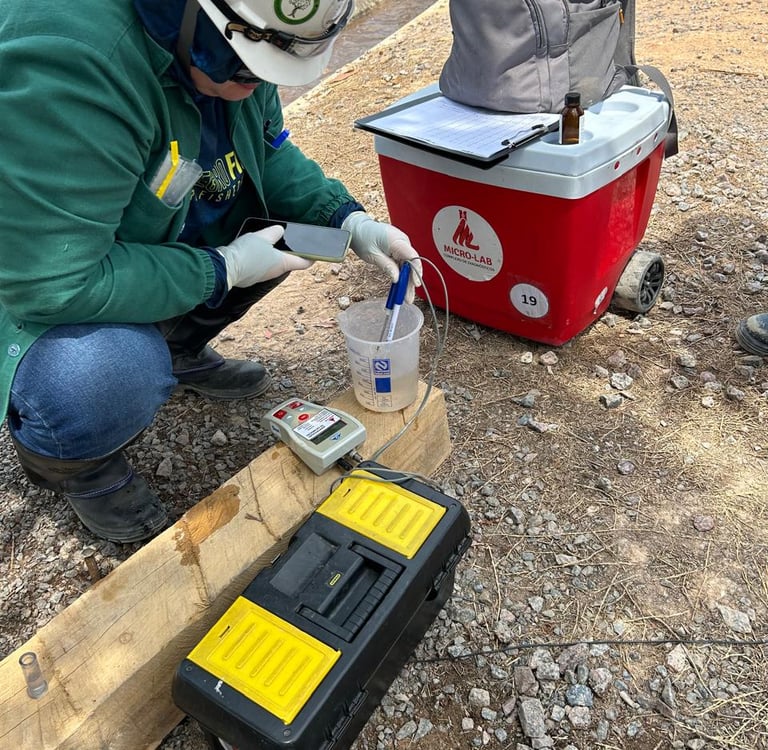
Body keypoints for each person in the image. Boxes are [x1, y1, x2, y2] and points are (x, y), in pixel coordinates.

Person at [0, 0, 422, 544]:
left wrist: (348, 220)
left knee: (293, 234)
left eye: (265, 74)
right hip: (32, 273)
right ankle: (76, 460)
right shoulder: (73, 65)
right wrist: (222, 268)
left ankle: (177, 349)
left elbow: (268, 152)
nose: (252, 87)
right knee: (106, 373)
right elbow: (51, 283)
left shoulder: (239, 40)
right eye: (243, 68)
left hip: (131, 232)